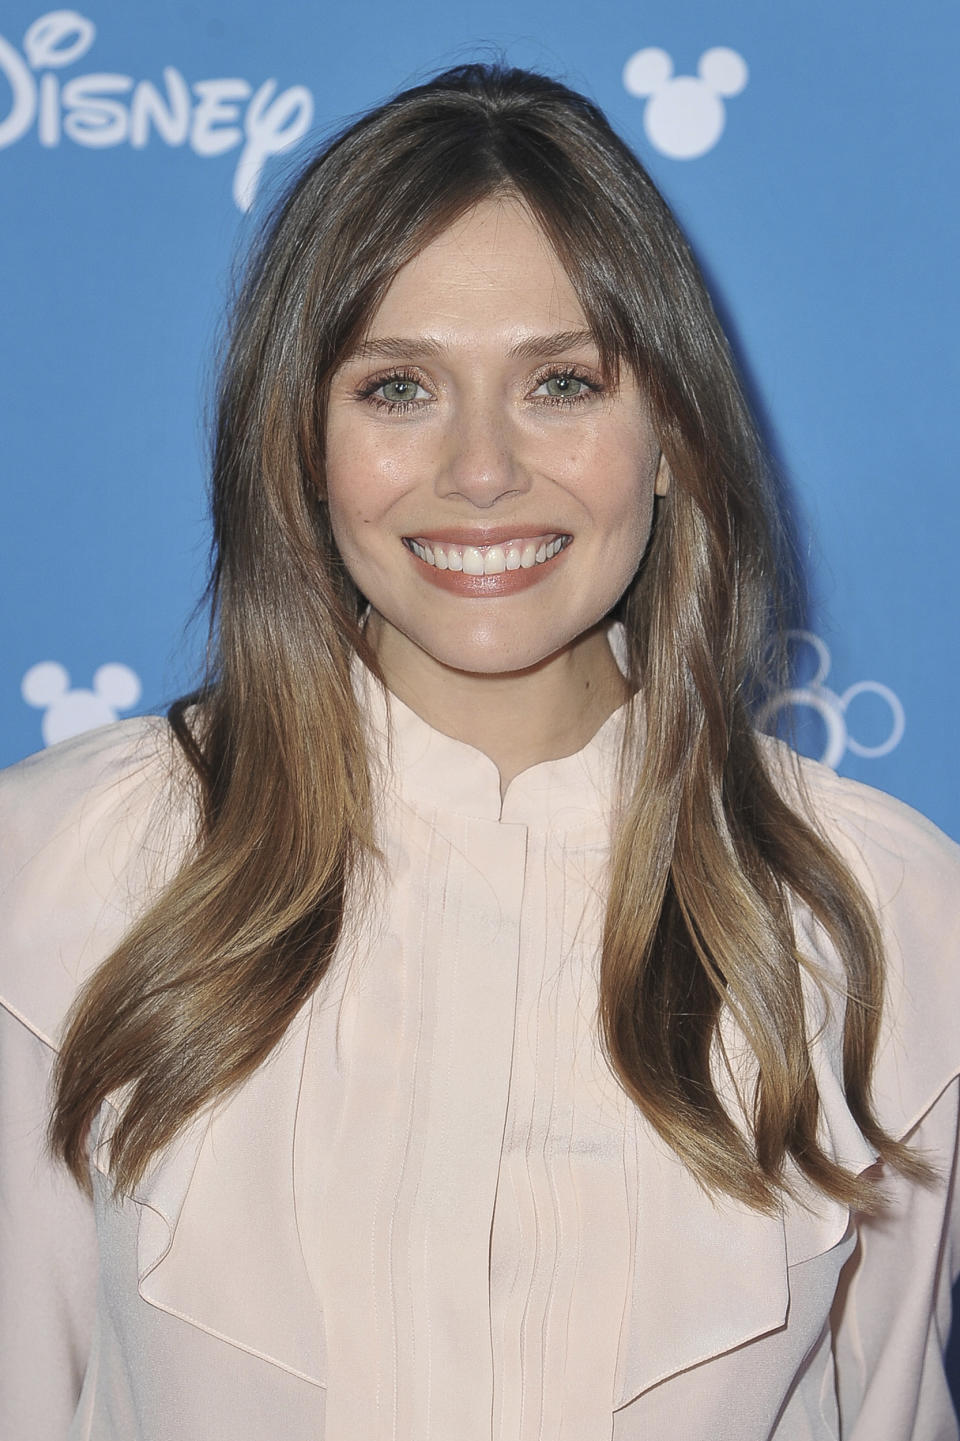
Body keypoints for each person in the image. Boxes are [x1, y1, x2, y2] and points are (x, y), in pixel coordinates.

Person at [1, 62, 958, 1441]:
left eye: (561, 381)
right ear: (302, 447)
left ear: (674, 435)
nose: (484, 470)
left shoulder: (884, 920)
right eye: (398, 389)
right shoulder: (60, 871)